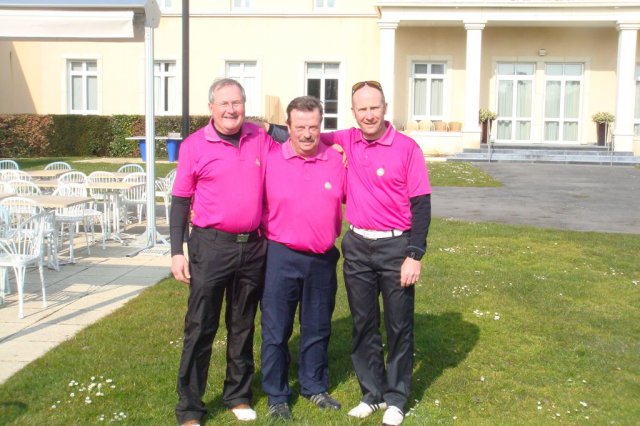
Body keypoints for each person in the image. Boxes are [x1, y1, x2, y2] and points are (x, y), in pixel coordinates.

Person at [321, 80, 432, 426]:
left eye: (374, 108)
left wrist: (415, 254)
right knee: (363, 323)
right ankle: (372, 393)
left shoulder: (407, 148)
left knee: (398, 325)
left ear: (385, 108)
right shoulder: (347, 139)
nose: (368, 115)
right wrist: (259, 128)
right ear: (353, 112)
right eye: (362, 109)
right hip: (357, 245)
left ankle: (396, 398)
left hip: (396, 247)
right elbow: (304, 133)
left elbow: (421, 204)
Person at [170, 78, 276, 425]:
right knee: (201, 326)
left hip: (253, 246)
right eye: (224, 104)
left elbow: (295, 138)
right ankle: (190, 407)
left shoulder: (259, 137)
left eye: (237, 103)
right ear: (211, 108)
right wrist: (176, 251)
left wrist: (269, 127)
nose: (231, 110)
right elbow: (180, 201)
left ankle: (238, 395)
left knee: (242, 324)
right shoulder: (194, 145)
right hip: (211, 246)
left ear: (245, 105)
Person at [260, 96, 346, 421]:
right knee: (276, 329)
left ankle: (314, 386)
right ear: (288, 127)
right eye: (300, 127)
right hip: (281, 256)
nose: (307, 134)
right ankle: (277, 395)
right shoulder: (271, 159)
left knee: (317, 326)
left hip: (322, 259)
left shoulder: (335, 160)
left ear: (321, 125)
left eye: (313, 126)